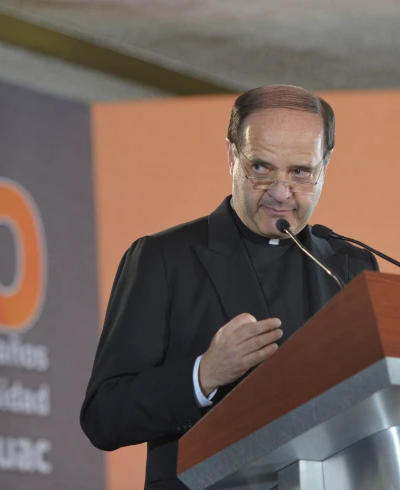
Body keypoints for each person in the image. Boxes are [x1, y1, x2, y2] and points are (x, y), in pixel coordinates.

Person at [79, 84, 379, 489]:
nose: (279, 192)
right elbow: (105, 417)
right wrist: (203, 375)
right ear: (232, 156)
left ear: (325, 165)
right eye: (261, 168)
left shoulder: (350, 266)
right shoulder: (165, 258)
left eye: (300, 172)